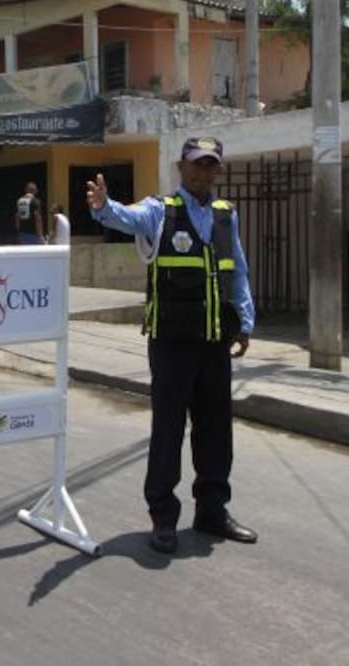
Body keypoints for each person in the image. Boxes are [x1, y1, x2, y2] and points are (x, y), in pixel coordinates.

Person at [86, 136, 257, 555]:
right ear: (181, 168)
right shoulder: (159, 211)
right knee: (168, 431)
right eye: (196, 165)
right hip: (171, 343)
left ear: (219, 170)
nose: (203, 172)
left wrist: (245, 322)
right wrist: (103, 206)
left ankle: (212, 510)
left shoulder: (224, 216)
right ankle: (163, 517)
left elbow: (237, 271)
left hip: (215, 341)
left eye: (211, 165)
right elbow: (124, 218)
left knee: (215, 430)